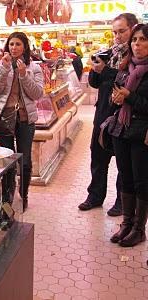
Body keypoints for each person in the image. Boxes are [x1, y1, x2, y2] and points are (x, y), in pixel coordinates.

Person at [78, 13, 138, 216]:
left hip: (123, 116)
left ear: (133, 29)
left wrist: (104, 71)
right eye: (115, 32)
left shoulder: (136, 57)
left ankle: (122, 201)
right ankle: (95, 196)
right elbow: (96, 83)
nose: (118, 36)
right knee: (98, 157)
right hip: (103, 113)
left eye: (122, 31)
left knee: (123, 162)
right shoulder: (109, 53)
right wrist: (95, 69)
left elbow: (125, 83)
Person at [0, 32, 44, 210]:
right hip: (4, 118)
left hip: (25, 119)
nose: (14, 48)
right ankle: (8, 195)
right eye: (11, 44)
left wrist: (23, 75)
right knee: (7, 159)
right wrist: (5, 69)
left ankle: (24, 193)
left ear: (25, 47)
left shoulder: (34, 67)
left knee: (25, 160)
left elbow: (37, 94)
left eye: (18, 44)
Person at [109, 23, 148, 247]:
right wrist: (115, 99)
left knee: (142, 181)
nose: (137, 44)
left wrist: (129, 96)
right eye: (134, 40)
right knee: (126, 177)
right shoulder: (126, 67)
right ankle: (126, 223)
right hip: (122, 131)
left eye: (142, 39)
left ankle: (139, 229)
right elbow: (114, 96)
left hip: (141, 134)